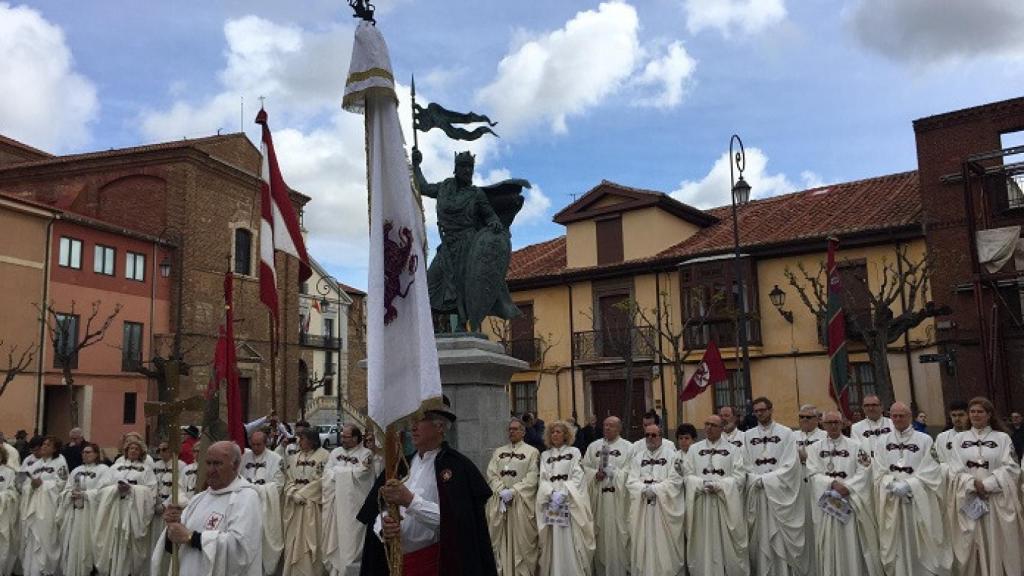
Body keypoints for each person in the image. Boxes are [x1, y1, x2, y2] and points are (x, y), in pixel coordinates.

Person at [357, 397, 497, 576]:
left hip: (435, 564)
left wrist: (411, 501)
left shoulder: (457, 467)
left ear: (440, 427)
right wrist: (383, 527)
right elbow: (379, 507)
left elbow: (456, 523)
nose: (413, 427)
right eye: (412, 422)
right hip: (393, 562)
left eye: (420, 421)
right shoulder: (400, 465)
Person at [411, 148, 527, 331]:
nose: (467, 171)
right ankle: (440, 326)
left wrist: (495, 223)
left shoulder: (476, 194)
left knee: (463, 287)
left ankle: (461, 325)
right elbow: (423, 188)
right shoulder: (444, 188)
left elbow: (489, 215)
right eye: (463, 166)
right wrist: (416, 165)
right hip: (447, 245)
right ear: (455, 169)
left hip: (468, 244)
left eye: (470, 167)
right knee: (431, 284)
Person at [151, 440, 263, 576]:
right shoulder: (198, 499)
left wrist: (191, 537)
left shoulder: (246, 497)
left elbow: (240, 549)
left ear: (235, 465)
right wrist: (172, 526)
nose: (211, 470)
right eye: (208, 463)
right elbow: (174, 547)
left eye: (217, 464)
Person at [948, 397, 1024, 576]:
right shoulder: (959, 439)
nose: (975, 415)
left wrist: (989, 484)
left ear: (989, 415)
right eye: (972, 411)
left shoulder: (1002, 438)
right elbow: (954, 468)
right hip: (970, 498)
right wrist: (971, 483)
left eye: (980, 411)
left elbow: (1012, 467)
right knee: (973, 544)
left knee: (998, 541)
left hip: (996, 499)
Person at [872, 402, 950, 576]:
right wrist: (891, 484)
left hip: (917, 501)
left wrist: (909, 485)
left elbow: (932, 469)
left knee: (920, 543)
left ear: (910, 417)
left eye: (902, 415)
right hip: (892, 501)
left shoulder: (925, 440)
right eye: (894, 416)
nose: (898, 419)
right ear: (890, 417)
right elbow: (878, 469)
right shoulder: (882, 441)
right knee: (897, 543)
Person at [805, 411, 883, 576]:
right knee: (829, 544)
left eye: (836, 422)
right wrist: (831, 484)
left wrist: (848, 487)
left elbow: (866, 470)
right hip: (827, 504)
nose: (833, 426)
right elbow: (811, 473)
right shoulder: (813, 449)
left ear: (842, 424)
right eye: (829, 422)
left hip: (850, 502)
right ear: (823, 425)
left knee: (851, 543)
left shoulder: (857, 446)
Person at [743, 397, 809, 576]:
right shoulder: (747, 436)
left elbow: (790, 464)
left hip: (780, 496)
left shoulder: (786, 433)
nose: (759, 413)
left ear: (771, 410)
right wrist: (756, 480)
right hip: (758, 494)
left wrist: (767, 480)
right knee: (761, 537)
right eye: (756, 411)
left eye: (762, 410)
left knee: (779, 537)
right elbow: (745, 464)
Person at [683, 414, 748, 576]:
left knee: (726, 542)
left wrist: (720, 486)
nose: (709, 428)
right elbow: (687, 474)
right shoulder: (694, 449)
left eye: (713, 425)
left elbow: (739, 477)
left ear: (721, 428)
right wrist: (701, 484)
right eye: (706, 424)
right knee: (703, 541)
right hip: (701, 503)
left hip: (724, 504)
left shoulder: (733, 449)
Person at [536, 420, 594, 576]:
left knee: (571, 539)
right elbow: (543, 478)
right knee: (554, 540)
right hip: (552, 504)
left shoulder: (574, 452)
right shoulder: (545, 455)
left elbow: (578, 475)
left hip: (569, 502)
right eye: (553, 432)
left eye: (559, 432)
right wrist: (551, 493)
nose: (555, 434)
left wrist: (564, 493)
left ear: (566, 435)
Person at [627, 423, 685, 576]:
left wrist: (656, 489)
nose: (650, 438)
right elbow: (631, 481)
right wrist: (644, 489)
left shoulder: (672, 456)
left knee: (664, 545)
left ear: (661, 436)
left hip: (664, 508)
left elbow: (676, 480)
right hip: (643, 510)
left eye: (654, 435)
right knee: (643, 543)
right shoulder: (638, 457)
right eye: (647, 435)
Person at [93, 437, 156, 576]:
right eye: (131, 448)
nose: (133, 451)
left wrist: (132, 489)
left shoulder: (146, 470)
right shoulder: (114, 468)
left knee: (130, 545)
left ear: (141, 452)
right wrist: (116, 489)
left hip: (134, 512)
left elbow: (151, 492)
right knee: (114, 541)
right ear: (126, 451)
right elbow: (102, 488)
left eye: (137, 449)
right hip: (116, 509)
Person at [485, 417, 540, 576]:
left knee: (522, 544)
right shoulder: (498, 451)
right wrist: (501, 490)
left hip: (520, 504)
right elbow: (491, 473)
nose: (512, 432)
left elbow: (532, 477)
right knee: (500, 541)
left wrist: (514, 491)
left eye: (515, 429)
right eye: (510, 429)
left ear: (523, 432)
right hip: (500, 503)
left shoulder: (532, 452)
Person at [324, 425, 381, 576]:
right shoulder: (336, 452)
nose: (342, 439)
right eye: (342, 436)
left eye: (346, 437)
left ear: (355, 438)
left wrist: (339, 472)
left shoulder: (366, 454)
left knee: (352, 545)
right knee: (335, 540)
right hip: (337, 506)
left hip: (355, 507)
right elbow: (327, 473)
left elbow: (363, 474)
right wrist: (345, 473)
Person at [581, 416, 632, 576]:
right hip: (599, 500)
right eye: (605, 425)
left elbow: (631, 472)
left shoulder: (628, 448)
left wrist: (615, 474)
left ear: (619, 428)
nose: (607, 428)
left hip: (618, 500)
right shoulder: (593, 446)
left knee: (618, 537)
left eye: (611, 426)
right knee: (600, 538)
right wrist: (595, 475)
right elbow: (584, 469)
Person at [58, 442, 112, 576]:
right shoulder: (76, 470)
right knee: (75, 544)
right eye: (83, 452)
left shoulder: (103, 469)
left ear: (96, 454)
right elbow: (66, 488)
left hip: (92, 514)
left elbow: (105, 490)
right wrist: (70, 494)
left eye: (88, 452)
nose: (85, 454)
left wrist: (86, 494)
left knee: (90, 545)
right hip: (76, 514)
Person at [19, 436, 69, 576]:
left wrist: (43, 485)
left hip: (49, 507)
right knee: (33, 539)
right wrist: (31, 487)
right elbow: (24, 484)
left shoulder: (60, 462)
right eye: (44, 444)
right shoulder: (34, 464)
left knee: (48, 536)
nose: (44, 446)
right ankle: (32, 571)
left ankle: (48, 570)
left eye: (48, 445)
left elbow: (62, 483)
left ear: (55, 448)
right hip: (34, 507)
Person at [282, 427, 329, 576]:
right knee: (293, 541)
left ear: (312, 440)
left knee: (311, 541)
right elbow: (288, 479)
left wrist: (304, 494)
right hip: (295, 507)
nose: (299, 441)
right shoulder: (294, 457)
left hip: (312, 508)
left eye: (302, 438)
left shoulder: (324, 456)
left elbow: (323, 481)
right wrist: (293, 493)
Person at [241, 430, 286, 576]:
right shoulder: (244, 457)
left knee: (263, 542)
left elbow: (278, 486)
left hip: (265, 508)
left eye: (258, 444)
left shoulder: (276, 459)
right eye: (252, 444)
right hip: (246, 509)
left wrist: (255, 489)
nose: (255, 447)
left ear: (265, 443)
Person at [151, 439, 188, 573]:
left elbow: (179, 488)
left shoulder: (181, 465)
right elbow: (153, 484)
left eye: (165, 449)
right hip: (157, 509)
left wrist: (166, 505)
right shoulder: (156, 465)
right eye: (159, 450)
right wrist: (155, 502)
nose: (162, 452)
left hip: (170, 510)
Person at [0, 439, 21, 576]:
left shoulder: (9, 472)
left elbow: (14, 492)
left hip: (4, 514)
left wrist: (2, 496)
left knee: (3, 543)